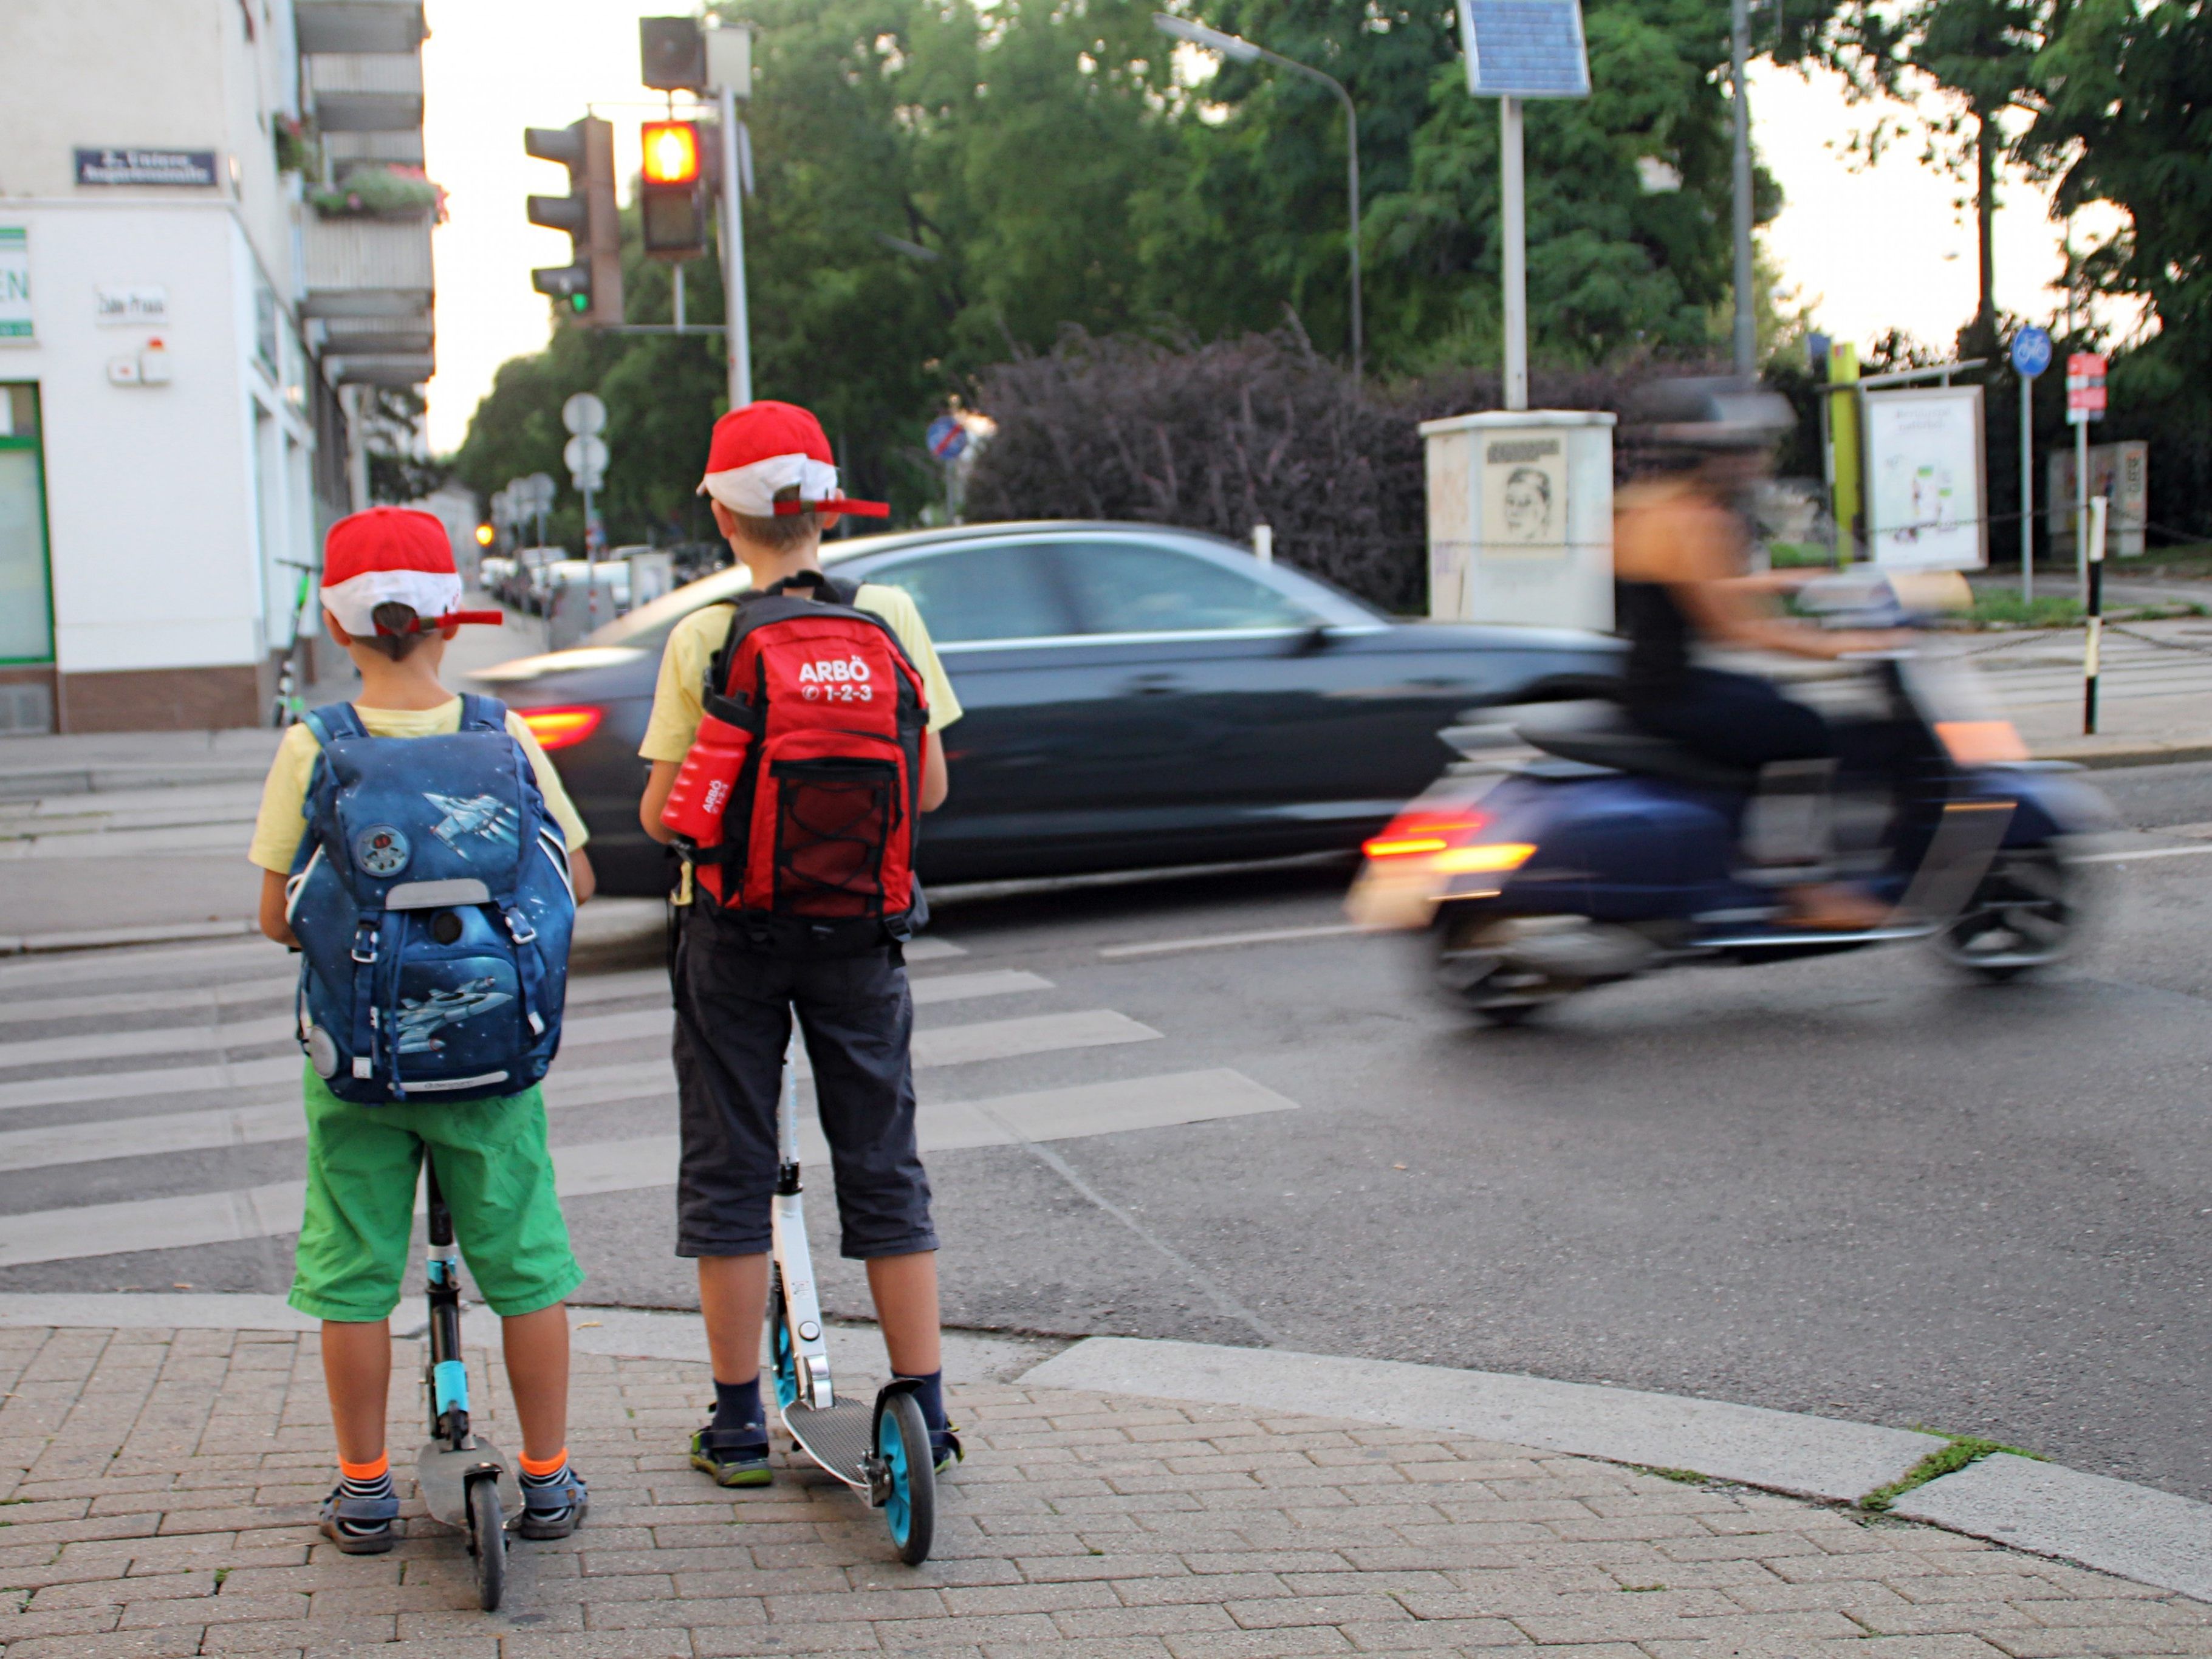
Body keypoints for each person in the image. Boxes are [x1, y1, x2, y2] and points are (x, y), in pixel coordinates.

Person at [248, 507, 597, 1553]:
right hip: (492, 1054)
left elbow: (275, 914)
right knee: (525, 1261)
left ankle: (363, 1490)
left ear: (335, 625)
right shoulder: (501, 733)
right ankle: (546, 1479)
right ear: (453, 618)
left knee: (354, 1268)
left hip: (358, 1060)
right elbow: (571, 876)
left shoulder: (314, 744)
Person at [637, 402, 965, 1488]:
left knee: (730, 1163)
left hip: (732, 937)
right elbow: (928, 786)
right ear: (825, 509)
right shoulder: (891, 618)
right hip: (862, 937)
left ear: (726, 517)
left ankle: (737, 1426)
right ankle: (924, 1404)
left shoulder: (708, 636)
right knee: (882, 1155)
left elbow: (664, 814)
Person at [1613, 379, 1900, 929]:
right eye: (1744, 451)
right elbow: (1733, 629)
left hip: (1655, 684)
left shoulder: (1652, 507)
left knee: (1765, 700)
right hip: (1671, 694)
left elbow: (1705, 589)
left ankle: (1752, 853)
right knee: (1804, 730)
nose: (1757, 462)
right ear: (1708, 458)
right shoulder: (1694, 520)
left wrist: (1800, 580)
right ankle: (1805, 887)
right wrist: (1837, 645)